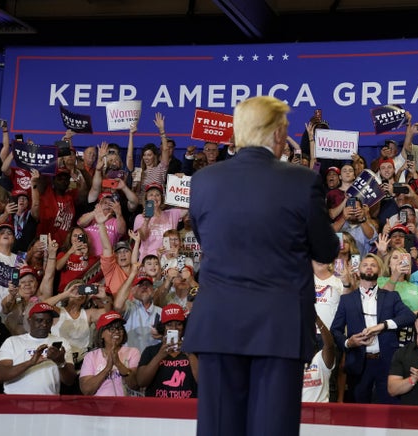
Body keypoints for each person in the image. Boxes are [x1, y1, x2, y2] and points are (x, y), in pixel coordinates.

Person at [182, 96, 339, 436]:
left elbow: (206, 238)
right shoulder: (300, 181)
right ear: (280, 133)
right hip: (278, 329)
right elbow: (326, 249)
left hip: (218, 326)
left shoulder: (204, 181)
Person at [330, 254, 415, 404]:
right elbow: (335, 330)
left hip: (387, 361)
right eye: (365, 265)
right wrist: (349, 343)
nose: (369, 267)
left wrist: (384, 325)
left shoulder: (391, 296)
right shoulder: (347, 300)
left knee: (391, 410)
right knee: (358, 413)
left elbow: (409, 317)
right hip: (358, 363)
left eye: (373, 265)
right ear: (357, 271)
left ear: (380, 271)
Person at [0, 302, 77, 395]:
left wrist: (60, 363)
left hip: (48, 403)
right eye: (39, 320)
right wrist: (30, 363)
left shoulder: (62, 343)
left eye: (48, 321)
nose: (44, 324)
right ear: (29, 321)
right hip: (15, 401)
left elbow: (70, 381)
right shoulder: (12, 342)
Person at [136, 303, 198, 399]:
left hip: (188, 408)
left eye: (179, 324)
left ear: (184, 326)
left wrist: (189, 353)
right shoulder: (151, 351)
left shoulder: (194, 351)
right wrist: (159, 356)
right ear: (163, 327)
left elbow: (203, 382)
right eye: (169, 325)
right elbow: (141, 382)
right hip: (159, 408)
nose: (174, 328)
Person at [78, 311, 140, 396]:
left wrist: (118, 363)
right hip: (100, 406)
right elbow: (87, 390)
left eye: (120, 328)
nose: (117, 332)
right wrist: (107, 368)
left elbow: (135, 384)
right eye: (112, 329)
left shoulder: (133, 352)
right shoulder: (91, 356)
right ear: (101, 333)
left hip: (126, 405)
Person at [302, 316, 335, 403]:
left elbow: (330, 345)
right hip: (300, 414)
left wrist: (316, 318)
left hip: (321, 413)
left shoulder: (319, 359)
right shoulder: (293, 362)